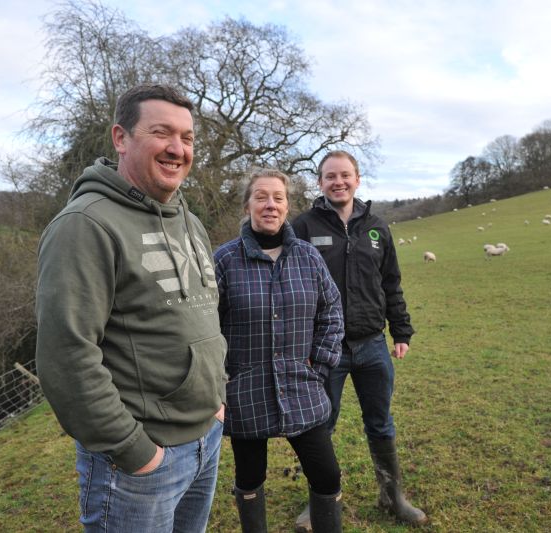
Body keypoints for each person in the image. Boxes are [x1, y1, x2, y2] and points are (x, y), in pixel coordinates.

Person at [35, 84, 228, 533]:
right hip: (140, 465)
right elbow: (67, 357)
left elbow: (202, 319)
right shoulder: (86, 225)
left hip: (205, 440)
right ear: (121, 138)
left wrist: (215, 403)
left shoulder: (190, 220)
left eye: (188, 137)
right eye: (162, 133)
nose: (178, 149)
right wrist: (136, 451)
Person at [291, 151, 428, 529]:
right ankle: (318, 502)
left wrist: (401, 331)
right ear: (319, 182)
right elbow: (291, 288)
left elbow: (391, 284)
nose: (338, 182)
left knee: (380, 424)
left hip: (372, 346)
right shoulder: (302, 227)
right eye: (330, 176)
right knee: (321, 427)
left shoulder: (377, 228)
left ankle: (391, 496)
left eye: (345, 175)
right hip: (324, 349)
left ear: (357, 179)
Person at [214, 169, 345, 533]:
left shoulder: (307, 257)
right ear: (247, 205)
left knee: (326, 474)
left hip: (303, 385)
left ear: (287, 206)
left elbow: (332, 312)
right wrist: (221, 379)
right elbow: (205, 327)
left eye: (278, 198)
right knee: (250, 476)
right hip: (246, 391)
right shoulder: (224, 260)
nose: (270, 205)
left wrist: (319, 365)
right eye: (261, 197)